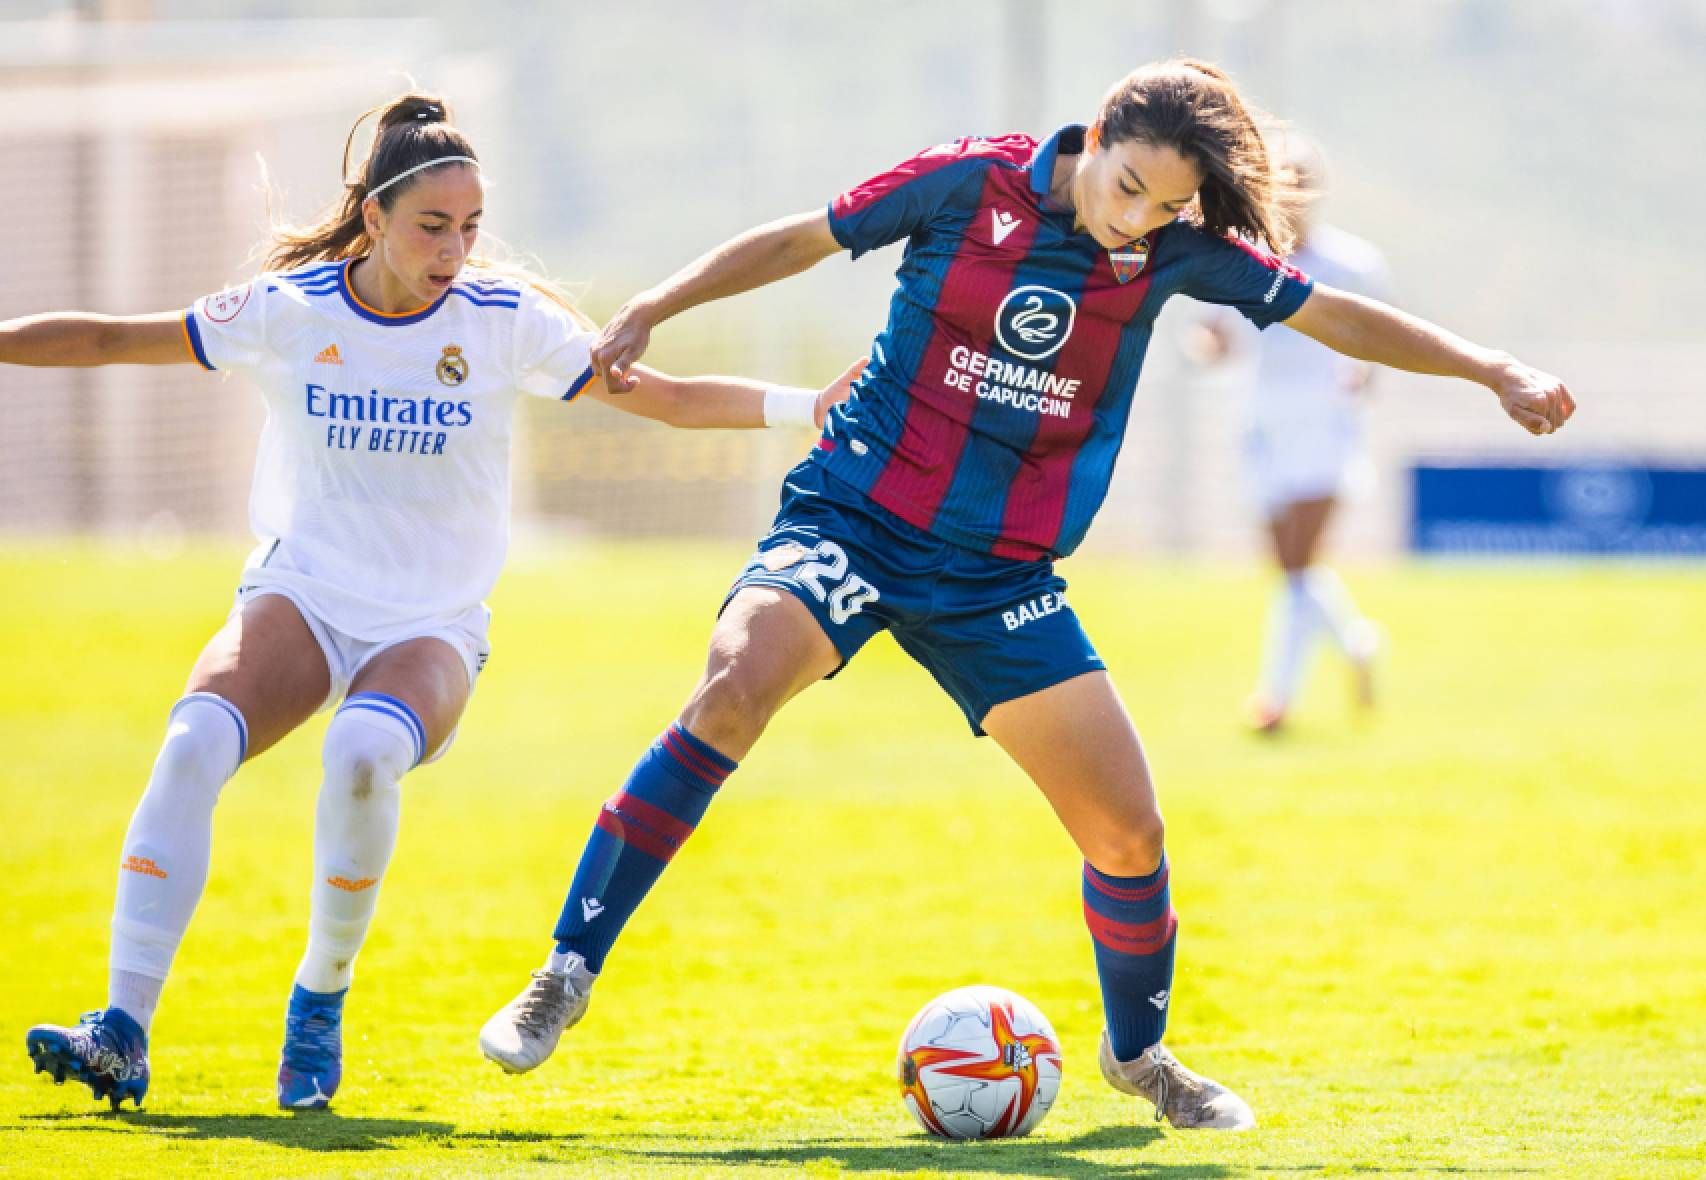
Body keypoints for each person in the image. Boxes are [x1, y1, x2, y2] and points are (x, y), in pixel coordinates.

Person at [479, 59, 1574, 1131]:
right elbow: (797, 238)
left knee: (1128, 833)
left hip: (997, 576)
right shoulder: (967, 181)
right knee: (730, 687)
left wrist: (1493, 370)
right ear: (1090, 142)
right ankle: (564, 973)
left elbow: (1330, 314)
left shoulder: (1173, 254)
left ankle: (1137, 1056)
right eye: (1127, 187)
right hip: (852, 520)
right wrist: (655, 305)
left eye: (1168, 204)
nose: (1138, 219)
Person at [9, 92, 854, 1112]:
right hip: (303, 595)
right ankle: (122, 1029)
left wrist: (803, 408)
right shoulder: (292, 311)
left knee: (362, 752)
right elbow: (107, 341)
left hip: (430, 623)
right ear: (372, 218)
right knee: (191, 745)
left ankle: (317, 1000)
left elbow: (664, 397)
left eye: (469, 227)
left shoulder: (505, 324)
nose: (455, 249)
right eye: (430, 226)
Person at [1192, 133, 1392, 733]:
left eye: (1300, 182)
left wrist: (1362, 378)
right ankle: (1356, 642)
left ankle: (1274, 699)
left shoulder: (1353, 265)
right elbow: (1215, 333)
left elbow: (1380, 342)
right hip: (1261, 422)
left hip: (1323, 425)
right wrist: (1203, 346)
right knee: (1289, 566)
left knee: (1300, 564)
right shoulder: (1242, 261)